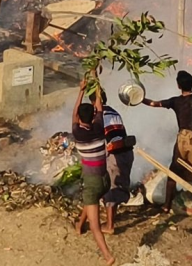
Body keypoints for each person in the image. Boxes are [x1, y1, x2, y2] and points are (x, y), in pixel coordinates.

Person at [142, 70, 192, 212]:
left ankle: (166, 206)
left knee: (174, 172)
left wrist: (140, 99)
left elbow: (154, 104)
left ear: (178, 86)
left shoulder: (175, 101)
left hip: (182, 141)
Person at [72, 80, 115, 265]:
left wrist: (81, 90)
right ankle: (79, 226)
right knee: (91, 202)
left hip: (91, 181)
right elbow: (98, 106)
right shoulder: (99, 128)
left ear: (81, 119)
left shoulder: (78, 133)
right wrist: (97, 83)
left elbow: (73, 114)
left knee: (95, 226)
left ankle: (108, 256)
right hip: (105, 180)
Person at [89, 89, 135, 235]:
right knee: (119, 185)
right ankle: (111, 217)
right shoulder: (115, 113)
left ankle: (109, 225)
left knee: (111, 189)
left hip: (115, 156)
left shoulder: (99, 117)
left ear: (94, 102)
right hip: (127, 154)